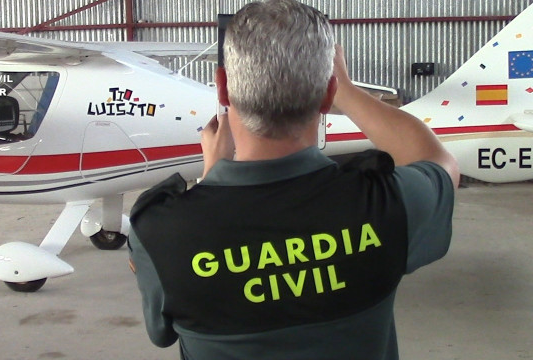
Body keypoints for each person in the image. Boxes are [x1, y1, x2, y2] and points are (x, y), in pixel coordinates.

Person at [128, 0, 459, 359]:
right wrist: (347, 90)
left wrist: (211, 180)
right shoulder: (387, 203)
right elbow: (438, 162)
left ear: (222, 89)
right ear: (327, 95)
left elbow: (161, 333)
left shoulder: (160, 231)